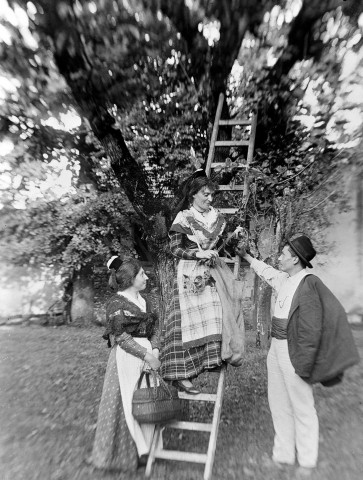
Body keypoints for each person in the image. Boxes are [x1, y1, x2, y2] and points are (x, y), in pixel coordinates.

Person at [236, 234, 360, 477]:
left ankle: (307, 461)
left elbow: (312, 329)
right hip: (277, 349)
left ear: (295, 259)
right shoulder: (285, 279)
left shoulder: (308, 284)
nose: (280, 258)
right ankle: (282, 455)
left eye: (283, 254)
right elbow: (267, 272)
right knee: (278, 404)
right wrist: (247, 257)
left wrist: (304, 360)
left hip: (295, 352)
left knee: (302, 407)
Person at [160, 170, 245, 394]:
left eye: (211, 195)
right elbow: (174, 249)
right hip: (190, 273)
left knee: (217, 314)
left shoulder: (216, 217)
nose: (210, 199)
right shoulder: (184, 218)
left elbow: (221, 248)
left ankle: (211, 360)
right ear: (193, 195)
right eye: (205, 194)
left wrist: (233, 238)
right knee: (188, 322)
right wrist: (197, 255)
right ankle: (182, 375)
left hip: (212, 271)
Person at [91, 256, 161, 472]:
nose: (146, 277)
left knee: (146, 401)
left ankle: (145, 452)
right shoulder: (116, 303)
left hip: (149, 356)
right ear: (130, 278)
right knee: (123, 403)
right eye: (142, 274)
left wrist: (155, 350)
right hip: (126, 358)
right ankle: (117, 457)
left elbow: (156, 328)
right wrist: (147, 356)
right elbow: (121, 337)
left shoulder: (147, 301)